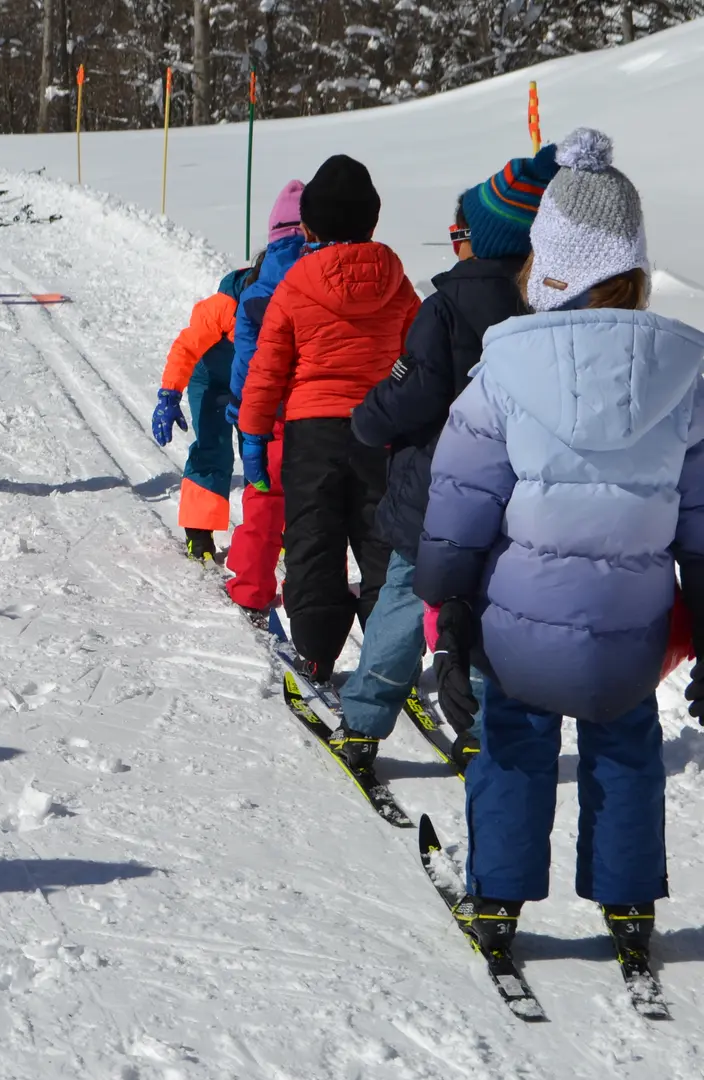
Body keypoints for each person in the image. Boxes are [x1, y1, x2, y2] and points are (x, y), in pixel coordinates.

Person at [415, 128, 703, 968]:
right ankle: (627, 906)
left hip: (518, 631)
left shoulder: (503, 366)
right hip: (633, 634)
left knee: (512, 742)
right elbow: (700, 517)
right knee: (625, 748)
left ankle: (498, 899)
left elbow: (459, 501)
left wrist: (451, 607)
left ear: (547, 263)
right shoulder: (685, 374)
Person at [336, 146, 557, 768]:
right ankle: (483, 724)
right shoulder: (541, 310)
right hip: (512, 498)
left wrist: (367, 419)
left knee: (404, 597)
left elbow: (414, 391)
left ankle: (362, 721)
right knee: (490, 608)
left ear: (475, 241)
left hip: (436, 497)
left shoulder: (446, 308)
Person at [238, 154, 418, 682]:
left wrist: (253, 432)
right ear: (372, 221)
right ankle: (391, 649)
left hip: (311, 432)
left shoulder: (296, 283)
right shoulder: (398, 281)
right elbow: (418, 354)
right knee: (380, 537)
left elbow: (269, 366)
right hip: (380, 428)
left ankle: (316, 649)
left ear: (310, 226)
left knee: (314, 537)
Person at [223, 181, 307, 619]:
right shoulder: (320, 278)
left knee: (263, 504)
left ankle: (251, 588)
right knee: (310, 516)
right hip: (316, 417)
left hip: (270, 419)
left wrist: (241, 409)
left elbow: (245, 361)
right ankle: (306, 594)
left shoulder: (256, 293)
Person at [152, 257, 262, 560]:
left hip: (252, 385)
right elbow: (186, 347)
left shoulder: (282, 301)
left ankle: (268, 527)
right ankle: (199, 532)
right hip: (212, 382)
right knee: (213, 449)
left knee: (263, 452)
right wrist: (169, 394)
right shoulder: (222, 306)